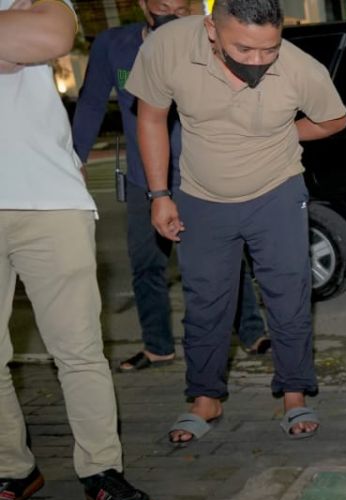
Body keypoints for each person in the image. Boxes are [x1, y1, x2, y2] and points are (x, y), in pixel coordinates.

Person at [125, 0, 346, 443]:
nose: (259, 61)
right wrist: (159, 195)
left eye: (270, 49)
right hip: (201, 198)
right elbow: (150, 118)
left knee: (289, 296)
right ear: (211, 29)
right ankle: (205, 398)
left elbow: (334, 120)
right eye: (245, 50)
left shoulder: (302, 70)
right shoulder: (168, 47)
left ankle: (294, 395)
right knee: (205, 301)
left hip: (277, 193)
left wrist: (282, 132)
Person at [0, 0, 155, 500]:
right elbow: (26, 41)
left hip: (51, 197)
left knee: (80, 349)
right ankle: (12, 469)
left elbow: (52, 36)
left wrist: (24, 42)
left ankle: (101, 469)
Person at [71, 0, 271, 373]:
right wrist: (74, 159)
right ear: (145, 3)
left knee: (225, 259)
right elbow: (92, 103)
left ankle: (251, 331)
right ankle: (157, 346)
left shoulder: (209, 41)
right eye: (162, 6)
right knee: (146, 265)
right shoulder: (114, 45)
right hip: (142, 178)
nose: (171, 15)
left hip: (202, 175)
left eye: (181, 10)